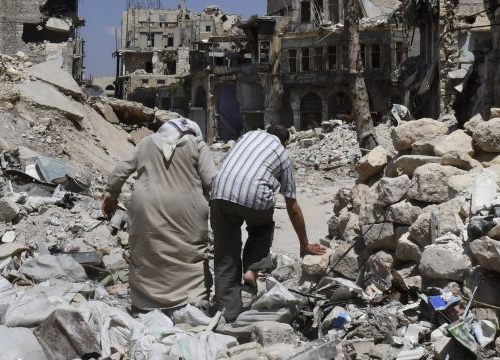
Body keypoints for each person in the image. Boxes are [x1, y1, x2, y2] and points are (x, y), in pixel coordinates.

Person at [210, 124, 326, 321]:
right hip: (254, 196)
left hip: (220, 191)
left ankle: (227, 314)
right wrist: (304, 243)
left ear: (266, 132)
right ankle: (252, 269)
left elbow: (225, 163)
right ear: (286, 142)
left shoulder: (248, 136)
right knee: (261, 229)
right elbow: (292, 205)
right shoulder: (282, 154)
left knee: (225, 254)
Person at [102, 118, 216, 311]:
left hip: (145, 206)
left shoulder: (146, 142)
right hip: (187, 208)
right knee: (188, 252)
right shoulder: (197, 144)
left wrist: (111, 196)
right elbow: (212, 181)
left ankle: (145, 302)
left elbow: (120, 170)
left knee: (147, 250)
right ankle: (192, 299)